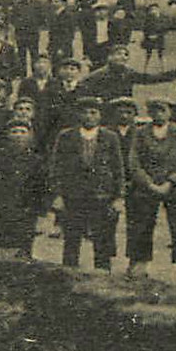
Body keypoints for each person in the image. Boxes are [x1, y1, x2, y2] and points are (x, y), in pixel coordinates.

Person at [47, 95, 126, 271]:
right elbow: (56, 167)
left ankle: (103, 277)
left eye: (93, 112)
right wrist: (57, 194)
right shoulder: (66, 136)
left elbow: (118, 169)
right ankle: (68, 276)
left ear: (100, 115)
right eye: (85, 112)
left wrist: (119, 197)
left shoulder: (110, 137)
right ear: (78, 115)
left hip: (101, 195)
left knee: (102, 241)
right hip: (73, 196)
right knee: (72, 240)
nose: (89, 116)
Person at [127, 98, 176, 280]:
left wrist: (171, 181)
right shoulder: (140, 133)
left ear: (170, 112)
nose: (158, 114)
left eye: (162, 110)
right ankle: (139, 262)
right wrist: (149, 183)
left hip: (173, 186)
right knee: (142, 224)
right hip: (147, 186)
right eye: (154, 110)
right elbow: (134, 162)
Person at [0, 119, 48, 259]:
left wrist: (42, 216)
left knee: (24, 254)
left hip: (26, 216)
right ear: (7, 135)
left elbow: (43, 190)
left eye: (23, 132)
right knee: (1, 254)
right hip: (1, 214)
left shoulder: (37, 161)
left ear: (30, 136)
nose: (18, 135)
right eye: (14, 132)